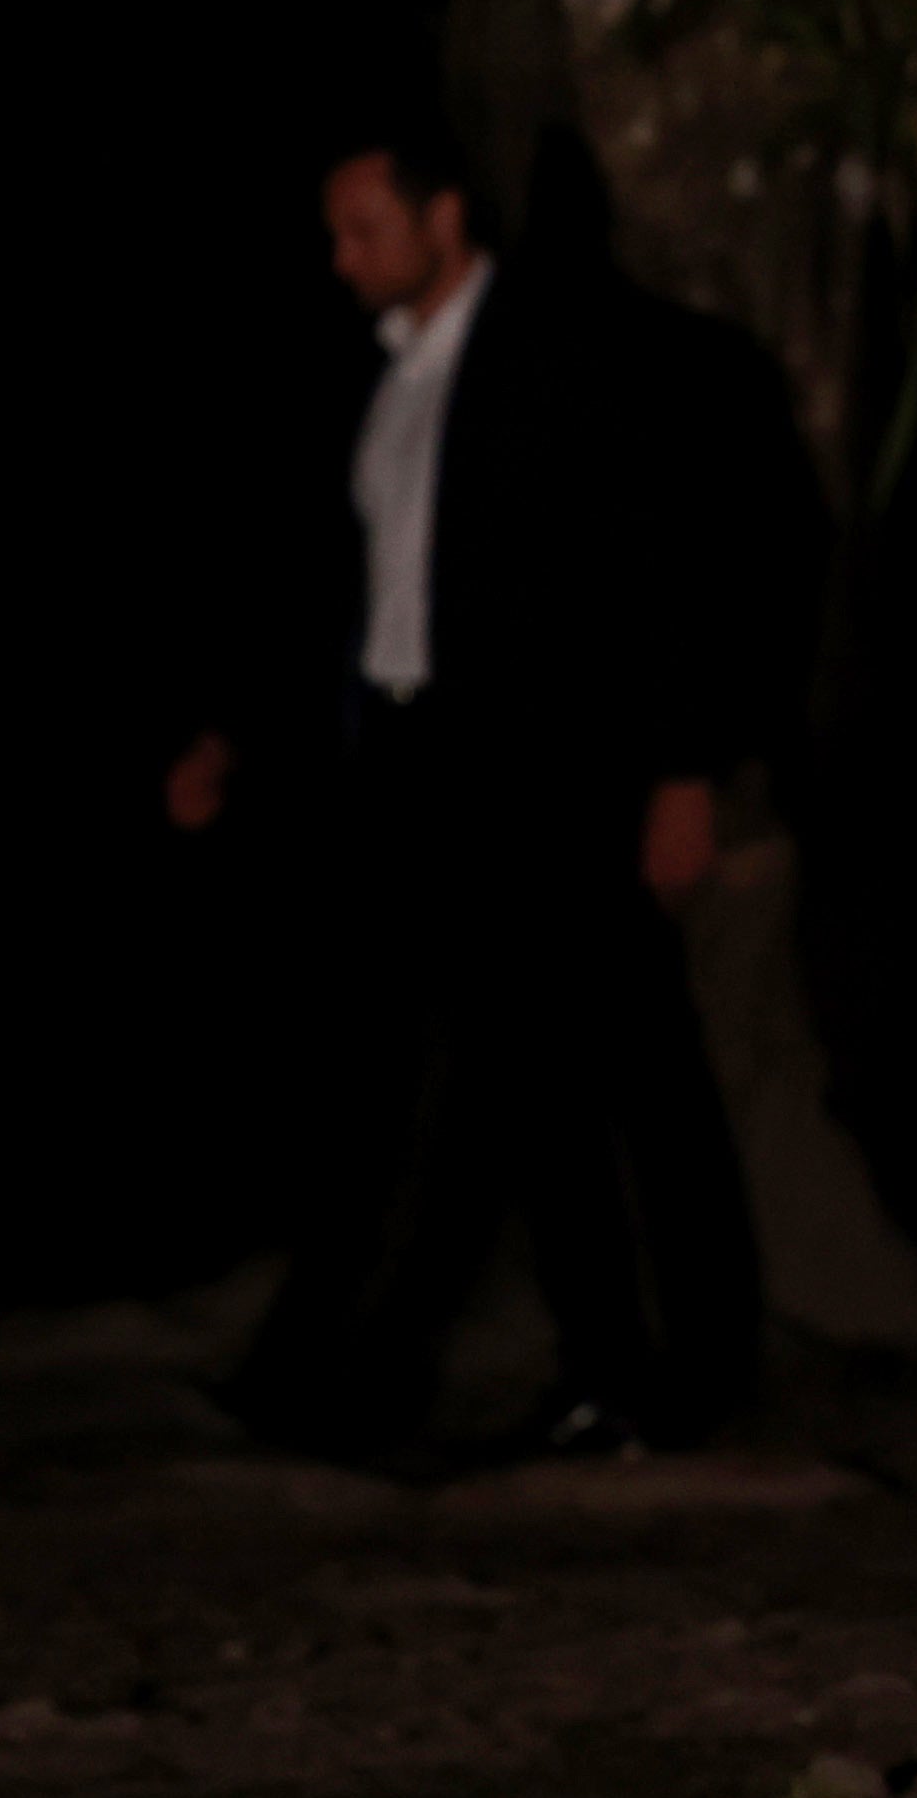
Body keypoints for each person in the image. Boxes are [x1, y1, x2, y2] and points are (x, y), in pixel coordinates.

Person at [181, 114, 814, 1461]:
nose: (342, 259)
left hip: (562, 772)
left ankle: (677, 1375)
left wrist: (683, 767)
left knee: (624, 1069)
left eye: (365, 230)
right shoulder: (385, 379)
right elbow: (349, 589)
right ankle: (369, 1373)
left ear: (444, 218)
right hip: (421, 768)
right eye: (334, 235)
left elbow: (656, 564)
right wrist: (245, 735)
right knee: (448, 1077)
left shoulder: (558, 352)